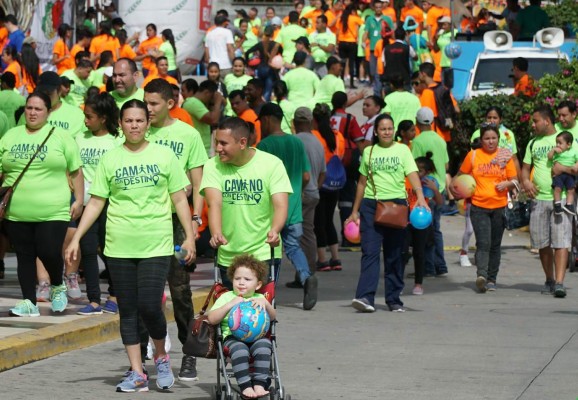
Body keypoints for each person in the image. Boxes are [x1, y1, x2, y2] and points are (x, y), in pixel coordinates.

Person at [65, 99, 195, 392]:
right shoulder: (110, 159)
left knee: (150, 306)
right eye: (128, 121)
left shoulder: (164, 156)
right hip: (119, 246)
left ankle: (160, 355)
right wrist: (75, 237)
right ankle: (137, 372)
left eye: (139, 120)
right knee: (129, 311)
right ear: (120, 124)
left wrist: (189, 235)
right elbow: (96, 201)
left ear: (148, 123)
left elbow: (178, 199)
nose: (134, 125)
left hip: (156, 244)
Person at [144, 79, 207, 381]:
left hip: (177, 222)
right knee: (147, 291)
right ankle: (153, 351)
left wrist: (193, 224)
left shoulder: (188, 134)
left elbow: (198, 183)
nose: (148, 109)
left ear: (170, 103)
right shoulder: (137, 131)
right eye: (145, 102)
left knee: (180, 291)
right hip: (145, 221)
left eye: (153, 103)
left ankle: (189, 353)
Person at [3, 91, 83, 317]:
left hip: (53, 210)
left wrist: (78, 199)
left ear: (48, 112)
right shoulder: (11, 135)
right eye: (29, 108)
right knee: (24, 255)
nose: (32, 112)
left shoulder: (60, 136)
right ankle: (29, 302)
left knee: (48, 251)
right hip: (17, 211)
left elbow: (76, 170)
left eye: (38, 109)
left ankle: (57, 285)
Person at [347, 113, 428, 313]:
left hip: (397, 206)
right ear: (376, 131)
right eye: (382, 129)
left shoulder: (402, 150)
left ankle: (394, 299)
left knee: (394, 254)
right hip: (371, 205)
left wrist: (420, 197)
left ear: (394, 130)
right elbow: (362, 182)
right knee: (370, 252)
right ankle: (365, 297)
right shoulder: (369, 152)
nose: (386, 132)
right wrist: (355, 211)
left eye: (389, 128)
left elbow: (412, 174)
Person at [200, 117, 292, 288]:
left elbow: (280, 205)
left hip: (263, 252)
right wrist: (216, 233)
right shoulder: (213, 166)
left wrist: (275, 230)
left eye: (223, 143)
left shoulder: (272, 164)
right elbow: (214, 204)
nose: (218, 149)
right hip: (228, 255)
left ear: (242, 142)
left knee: (259, 311)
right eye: (216, 143)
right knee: (232, 312)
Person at [257, 103, 317, 310]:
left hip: (272, 210)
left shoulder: (264, 146)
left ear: (266, 119)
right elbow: (306, 176)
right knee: (292, 246)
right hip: (294, 208)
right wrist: (298, 191)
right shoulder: (296, 143)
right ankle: (306, 276)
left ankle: (269, 291)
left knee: (271, 250)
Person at [455, 124, 517, 292]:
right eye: (487, 139)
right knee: (483, 242)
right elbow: (461, 177)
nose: (490, 142)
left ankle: (491, 279)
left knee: (495, 245)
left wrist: (508, 183)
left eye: (493, 138)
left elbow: (515, 180)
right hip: (478, 206)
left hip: (500, 207)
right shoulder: (473, 155)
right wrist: (459, 189)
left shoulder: (505, 155)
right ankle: (481, 275)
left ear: (498, 139)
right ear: (481, 140)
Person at [207, 254, 276, 399]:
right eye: (237, 279)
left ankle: (259, 383)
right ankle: (245, 385)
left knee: (265, 345)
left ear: (258, 285)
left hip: (258, 336)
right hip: (232, 337)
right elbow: (212, 319)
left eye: (247, 279)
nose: (241, 283)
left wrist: (266, 304)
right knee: (240, 350)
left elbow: (274, 317)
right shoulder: (226, 297)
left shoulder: (260, 298)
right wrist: (230, 305)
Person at [75, 92, 119, 315]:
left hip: (111, 204)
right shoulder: (79, 138)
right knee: (88, 250)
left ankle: (114, 294)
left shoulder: (117, 140)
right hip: (86, 203)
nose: (85, 120)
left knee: (110, 250)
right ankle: (93, 300)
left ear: (103, 118)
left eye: (89, 116)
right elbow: (73, 169)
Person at [522, 105, 573, 298]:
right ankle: (549, 279)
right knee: (542, 243)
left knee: (561, 242)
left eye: (535, 121)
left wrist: (564, 170)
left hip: (559, 199)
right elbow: (526, 168)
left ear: (547, 121)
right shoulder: (532, 143)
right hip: (539, 200)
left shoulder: (565, 138)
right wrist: (526, 181)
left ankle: (560, 283)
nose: (533, 125)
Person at [412, 107, 449, 277]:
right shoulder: (441, 140)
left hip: (425, 192)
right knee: (436, 230)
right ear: (432, 121)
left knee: (424, 231)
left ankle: (428, 267)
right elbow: (447, 165)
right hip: (439, 189)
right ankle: (440, 265)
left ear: (417, 122)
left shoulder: (417, 141)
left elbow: (413, 167)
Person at [311, 103, 345, 271]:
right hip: (335, 182)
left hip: (320, 181)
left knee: (319, 222)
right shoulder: (338, 136)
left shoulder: (314, 136)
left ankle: (322, 259)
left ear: (314, 120)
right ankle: (336, 258)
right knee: (329, 220)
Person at [408, 154, 442, 295]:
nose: (417, 172)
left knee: (419, 252)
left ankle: (418, 283)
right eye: (415, 169)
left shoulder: (429, 183)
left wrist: (434, 189)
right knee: (402, 250)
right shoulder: (406, 180)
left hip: (421, 222)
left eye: (420, 170)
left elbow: (440, 202)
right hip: (405, 219)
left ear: (427, 172)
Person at [182, 79, 223, 155]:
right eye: (212, 96)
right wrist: (218, 101)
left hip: (201, 148)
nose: (212, 99)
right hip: (196, 149)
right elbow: (213, 120)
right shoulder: (193, 102)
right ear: (207, 93)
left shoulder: (198, 103)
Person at [363, 0, 394, 97]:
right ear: (373, 8)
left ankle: (379, 92)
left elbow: (392, 33)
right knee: (373, 71)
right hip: (373, 49)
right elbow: (366, 32)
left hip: (384, 49)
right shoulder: (370, 19)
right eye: (376, 7)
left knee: (381, 71)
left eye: (380, 7)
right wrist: (363, 42)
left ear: (382, 8)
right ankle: (378, 89)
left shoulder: (387, 19)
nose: (378, 9)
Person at [244, 25, 279, 102]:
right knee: (268, 89)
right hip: (270, 70)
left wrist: (248, 65)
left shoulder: (260, 44)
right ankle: (264, 104)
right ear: (273, 34)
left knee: (259, 88)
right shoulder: (276, 45)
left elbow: (247, 52)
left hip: (260, 68)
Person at [548, 131, 578, 216]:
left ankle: (569, 205)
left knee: (571, 190)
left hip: (570, 175)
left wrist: (576, 165)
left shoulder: (574, 152)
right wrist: (553, 151)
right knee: (557, 189)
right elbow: (549, 157)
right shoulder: (556, 152)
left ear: (568, 145)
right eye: (556, 143)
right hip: (559, 175)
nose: (557, 145)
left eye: (560, 143)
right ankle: (557, 205)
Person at [336, 3, 364, 89]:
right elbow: (363, 23)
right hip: (351, 43)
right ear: (352, 11)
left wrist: (337, 43)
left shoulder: (341, 19)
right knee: (351, 63)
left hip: (342, 43)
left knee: (342, 63)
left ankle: (341, 81)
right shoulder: (354, 18)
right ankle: (351, 83)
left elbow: (337, 32)